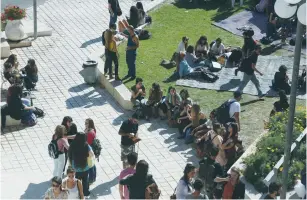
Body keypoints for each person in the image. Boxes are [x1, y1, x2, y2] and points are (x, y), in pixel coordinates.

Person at [84, 118, 97, 184]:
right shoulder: (91, 129)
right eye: (85, 123)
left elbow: (87, 143)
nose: (85, 124)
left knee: (90, 165)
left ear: (90, 124)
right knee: (92, 164)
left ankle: (91, 179)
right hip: (91, 149)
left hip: (89, 150)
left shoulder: (90, 133)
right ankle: (93, 177)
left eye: (87, 123)